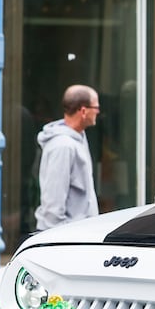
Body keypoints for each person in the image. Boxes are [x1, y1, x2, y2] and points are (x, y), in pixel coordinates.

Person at [34, 84, 101, 231]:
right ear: (83, 111)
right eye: (96, 108)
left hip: (78, 236)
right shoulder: (63, 146)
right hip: (65, 239)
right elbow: (53, 203)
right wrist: (62, 239)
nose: (98, 112)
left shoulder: (78, 138)